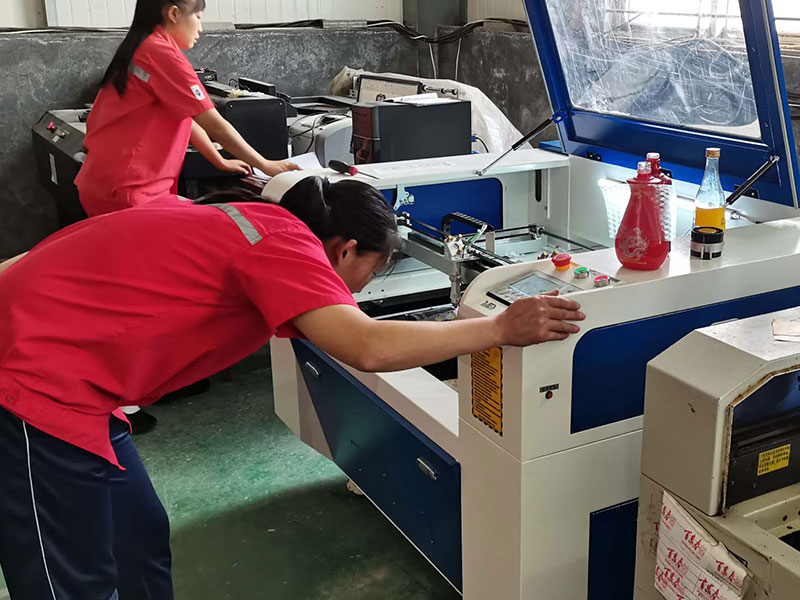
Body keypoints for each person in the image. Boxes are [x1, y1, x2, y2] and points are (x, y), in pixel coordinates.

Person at [0, 176, 584, 599]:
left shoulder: (251, 219)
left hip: (79, 383)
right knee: (68, 578)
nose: (363, 287)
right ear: (345, 248)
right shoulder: (284, 245)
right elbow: (367, 346)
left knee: (137, 537)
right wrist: (499, 328)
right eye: (373, 270)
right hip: (32, 386)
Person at [75, 0, 299, 218]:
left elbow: (187, 118)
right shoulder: (160, 53)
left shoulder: (144, 46)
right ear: (174, 14)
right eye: (198, 17)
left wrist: (218, 160)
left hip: (110, 184)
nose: (200, 28)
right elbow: (215, 125)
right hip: (128, 192)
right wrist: (264, 164)